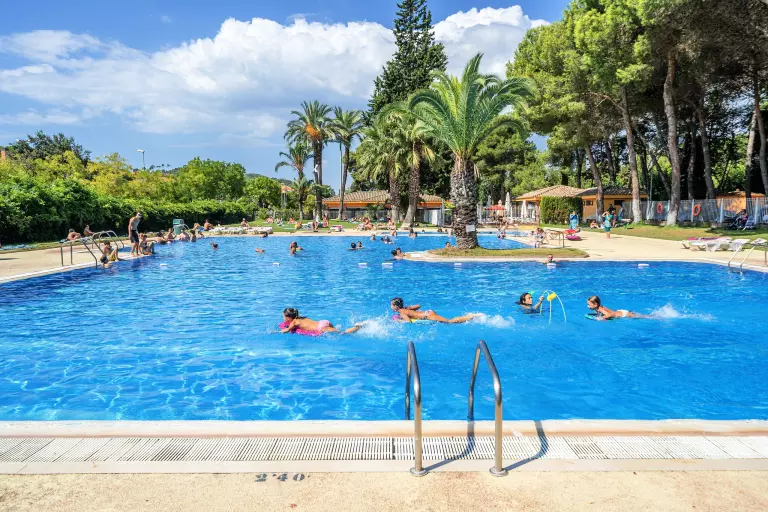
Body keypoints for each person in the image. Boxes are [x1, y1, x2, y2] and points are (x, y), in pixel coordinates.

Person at [390, 298, 476, 324]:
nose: (391, 306)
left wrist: (399, 321)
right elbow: (419, 306)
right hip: (428, 312)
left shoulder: (402, 312)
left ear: (396, 306)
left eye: (391, 305)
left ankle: (470, 316)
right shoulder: (406, 309)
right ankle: (468, 316)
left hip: (428, 316)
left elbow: (408, 321)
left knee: (449, 321)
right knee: (448, 321)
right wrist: (409, 308)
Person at [280, 308, 362, 335]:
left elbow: (287, 330)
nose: (283, 318)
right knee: (339, 332)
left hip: (321, 328)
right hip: (323, 322)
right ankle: (357, 327)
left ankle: (357, 327)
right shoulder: (301, 318)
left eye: (283, 316)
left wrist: (278, 332)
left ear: (288, 318)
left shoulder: (294, 322)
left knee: (343, 333)